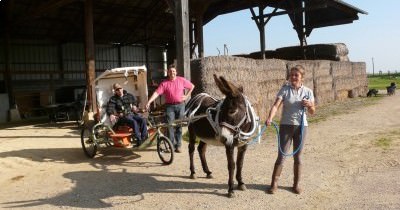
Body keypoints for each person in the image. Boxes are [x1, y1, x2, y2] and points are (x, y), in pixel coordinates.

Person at [265, 65, 315, 194]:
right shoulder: (285, 90)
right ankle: (274, 184)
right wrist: (270, 117)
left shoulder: (308, 91)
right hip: (286, 126)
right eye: (291, 75)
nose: (293, 77)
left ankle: (296, 184)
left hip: (301, 127)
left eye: (296, 75)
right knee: (281, 155)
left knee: (298, 156)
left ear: (301, 77)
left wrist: (309, 105)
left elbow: (312, 111)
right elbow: (276, 105)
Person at [145, 64, 195, 153]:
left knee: (179, 126)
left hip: (180, 105)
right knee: (170, 125)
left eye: (174, 71)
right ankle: (171, 145)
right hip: (169, 107)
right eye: (170, 71)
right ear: (168, 73)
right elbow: (156, 93)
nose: (172, 73)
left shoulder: (181, 80)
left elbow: (192, 86)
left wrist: (187, 96)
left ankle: (178, 145)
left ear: (176, 72)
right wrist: (149, 102)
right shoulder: (164, 83)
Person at [106, 83, 147, 147]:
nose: (119, 90)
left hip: (132, 113)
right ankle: (139, 140)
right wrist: (111, 114)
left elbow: (135, 101)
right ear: (115, 91)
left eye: (120, 88)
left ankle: (144, 138)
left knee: (143, 119)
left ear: (122, 88)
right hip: (122, 117)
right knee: (133, 122)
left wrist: (134, 105)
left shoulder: (129, 95)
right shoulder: (113, 99)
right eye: (117, 89)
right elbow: (110, 107)